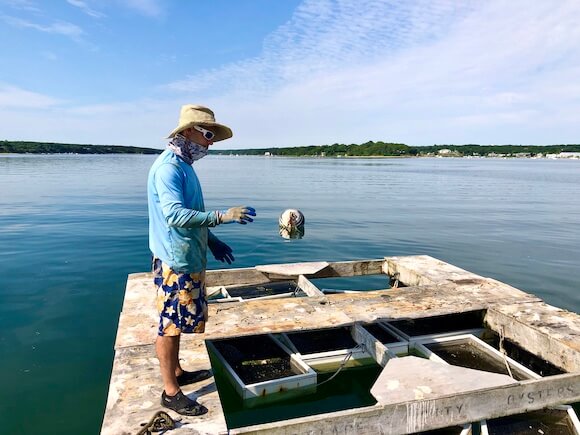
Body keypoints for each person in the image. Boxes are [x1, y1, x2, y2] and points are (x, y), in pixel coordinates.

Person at [147, 104, 256, 416]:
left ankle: (178, 372)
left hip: (189, 256)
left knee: (179, 321)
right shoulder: (168, 168)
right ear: (186, 132)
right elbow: (174, 215)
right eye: (207, 134)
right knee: (168, 325)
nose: (210, 142)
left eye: (213, 137)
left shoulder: (184, 166)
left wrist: (213, 241)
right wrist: (223, 216)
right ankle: (170, 392)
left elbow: (191, 214)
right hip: (174, 263)